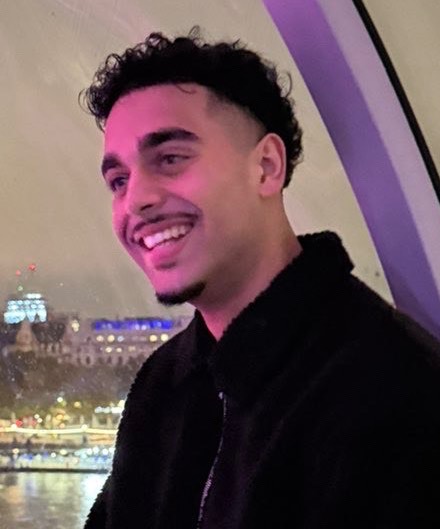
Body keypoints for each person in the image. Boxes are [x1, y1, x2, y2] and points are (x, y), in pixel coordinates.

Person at [81, 29, 440, 529]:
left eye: (170, 159)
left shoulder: (393, 390)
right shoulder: (163, 383)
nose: (136, 200)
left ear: (267, 167)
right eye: (118, 181)